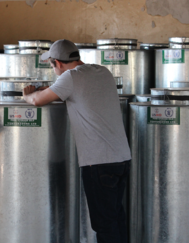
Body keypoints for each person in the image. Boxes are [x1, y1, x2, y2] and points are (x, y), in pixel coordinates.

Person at [23, 39, 131, 243]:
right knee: (116, 219)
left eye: (51, 64)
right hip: (121, 158)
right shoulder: (102, 71)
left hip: (98, 163)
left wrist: (27, 95)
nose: (53, 68)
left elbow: (37, 100)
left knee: (105, 225)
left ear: (58, 63)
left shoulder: (70, 78)